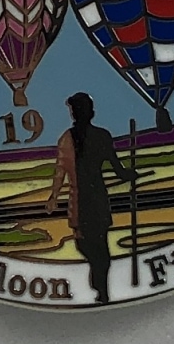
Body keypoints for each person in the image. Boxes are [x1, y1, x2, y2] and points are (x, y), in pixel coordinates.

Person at [45, 93, 135, 304]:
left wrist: (54, 196)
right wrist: (130, 174)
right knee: (95, 247)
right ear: (91, 112)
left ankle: (101, 289)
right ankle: (100, 285)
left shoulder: (70, 138)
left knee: (92, 246)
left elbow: (60, 172)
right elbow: (119, 170)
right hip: (90, 199)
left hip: (87, 200)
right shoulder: (94, 136)